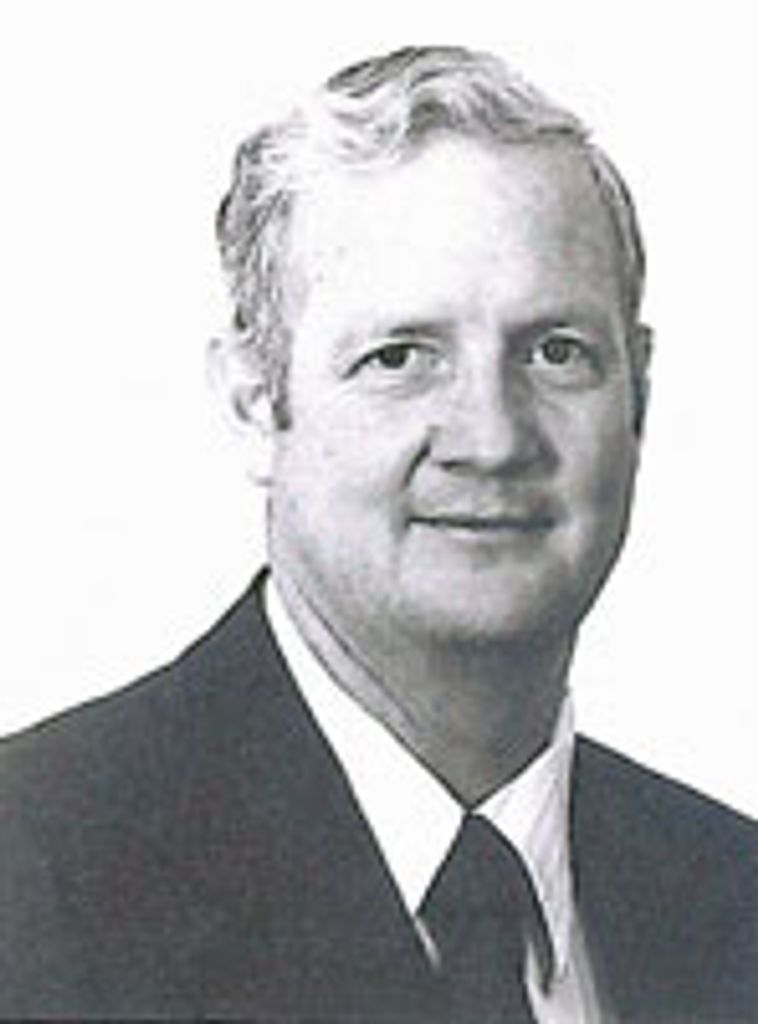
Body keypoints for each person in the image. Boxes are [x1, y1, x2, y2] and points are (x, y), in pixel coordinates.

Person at [1, 45, 756, 1023]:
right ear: (252, 401)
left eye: (555, 351)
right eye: (400, 357)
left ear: (638, 397)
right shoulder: (30, 883)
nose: (492, 438)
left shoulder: (731, 895)